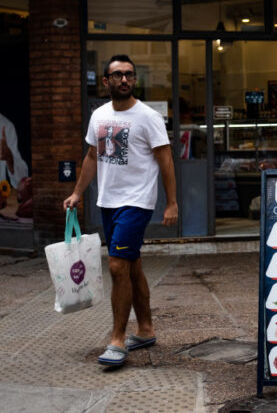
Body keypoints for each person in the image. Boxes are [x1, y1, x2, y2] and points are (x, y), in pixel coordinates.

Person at [63, 54, 178, 367]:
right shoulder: (98, 115)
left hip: (137, 202)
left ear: (135, 80)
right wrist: (76, 192)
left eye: (129, 74)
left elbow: (165, 159)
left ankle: (117, 339)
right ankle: (145, 329)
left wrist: (171, 202)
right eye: (117, 75)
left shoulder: (148, 117)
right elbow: (90, 156)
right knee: (131, 265)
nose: (124, 79)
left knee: (116, 266)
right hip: (108, 201)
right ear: (106, 81)